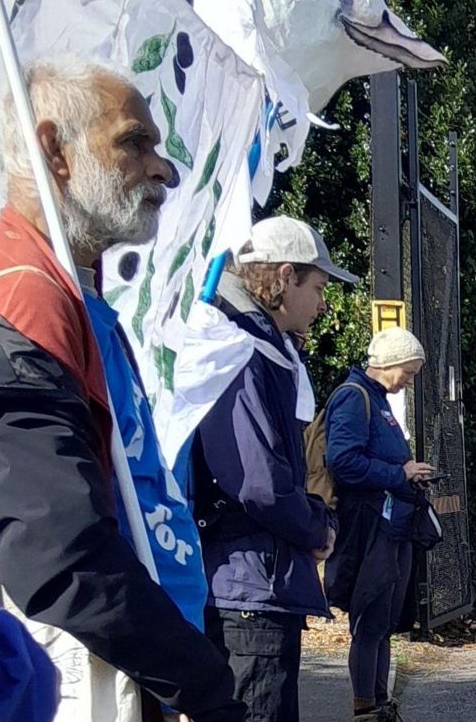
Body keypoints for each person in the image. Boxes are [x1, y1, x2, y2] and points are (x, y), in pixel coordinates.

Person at [0, 58, 246, 720]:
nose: (164, 169)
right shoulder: (19, 291)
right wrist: (199, 685)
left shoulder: (68, 292)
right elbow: (56, 553)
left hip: (132, 665)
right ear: (52, 150)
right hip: (86, 676)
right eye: (133, 141)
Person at [192, 216, 351, 722]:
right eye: (319, 286)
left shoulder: (258, 346)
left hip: (251, 581)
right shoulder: (243, 349)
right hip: (250, 586)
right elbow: (259, 482)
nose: (323, 303)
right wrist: (315, 526)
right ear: (285, 276)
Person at [324, 327, 435, 721]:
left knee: (384, 622)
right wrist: (399, 473)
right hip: (371, 528)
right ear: (388, 364)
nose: (410, 380)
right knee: (371, 620)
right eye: (408, 371)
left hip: (391, 525)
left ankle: (379, 703)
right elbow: (342, 461)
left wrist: (407, 474)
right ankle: (366, 707)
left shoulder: (377, 400)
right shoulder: (354, 399)